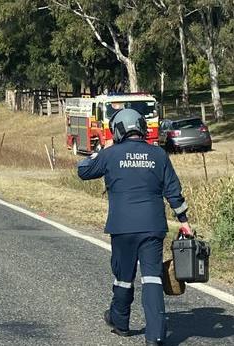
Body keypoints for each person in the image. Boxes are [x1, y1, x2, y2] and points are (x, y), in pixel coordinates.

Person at [77, 109, 192, 346]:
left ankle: (120, 322)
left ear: (118, 130)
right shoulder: (159, 155)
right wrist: (184, 222)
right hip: (152, 226)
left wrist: (100, 148)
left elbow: (83, 170)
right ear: (141, 127)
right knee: (152, 278)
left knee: (123, 277)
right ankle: (156, 336)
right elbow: (173, 191)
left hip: (122, 226)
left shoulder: (110, 154)